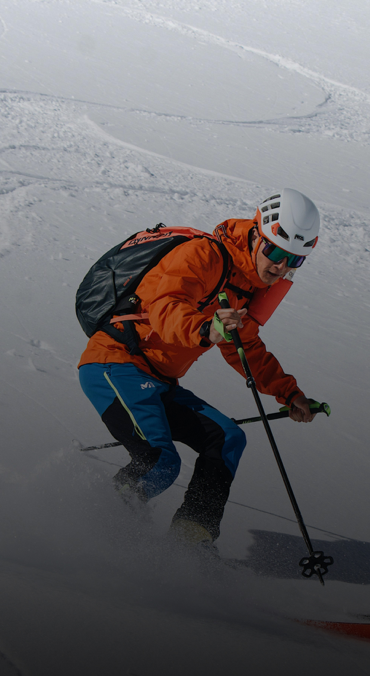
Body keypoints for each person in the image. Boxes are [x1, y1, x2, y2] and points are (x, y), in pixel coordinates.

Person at [78, 188, 320, 546]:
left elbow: (246, 346)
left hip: (159, 380)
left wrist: (290, 394)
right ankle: (100, 531)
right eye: (275, 251)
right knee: (161, 462)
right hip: (115, 362)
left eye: (293, 260)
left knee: (226, 438)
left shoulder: (249, 288)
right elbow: (166, 304)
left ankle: (191, 539)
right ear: (256, 234)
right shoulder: (204, 254)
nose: (280, 267)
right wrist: (205, 328)